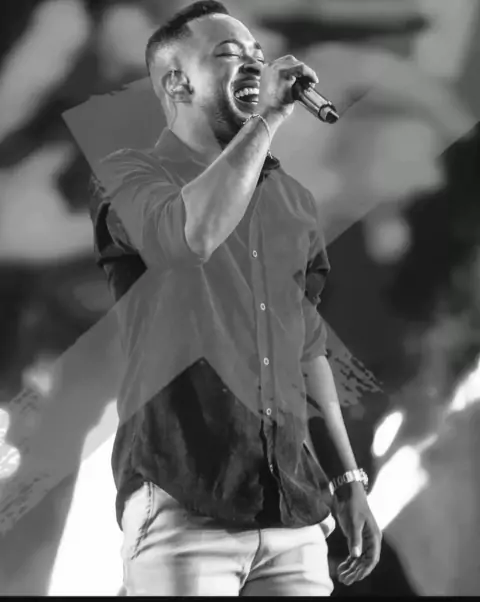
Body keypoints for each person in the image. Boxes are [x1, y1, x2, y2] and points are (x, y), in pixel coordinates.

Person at [90, 0, 382, 595]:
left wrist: (347, 477)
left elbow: (307, 348)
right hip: (184, 505)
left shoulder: (292, 200)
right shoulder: (129, 176)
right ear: (177, 82)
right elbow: (190, 237)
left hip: (293, 514)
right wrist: (267, 119)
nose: (254, 64)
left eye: (257, 53)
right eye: (228, 54)